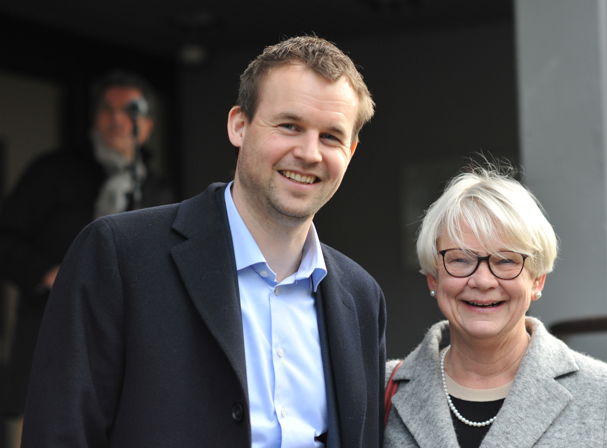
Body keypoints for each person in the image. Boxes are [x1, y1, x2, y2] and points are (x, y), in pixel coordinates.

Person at [22, 36, 386, 447]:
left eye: (330, 137)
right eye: (290, 125)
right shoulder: (118, 256)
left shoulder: (362, 298)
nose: (309, 152)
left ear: (351, 151)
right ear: (239, 125)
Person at [384, 163, 607, 447]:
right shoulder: (381, 386)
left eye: (506, 260)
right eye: (460, 259)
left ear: (537, 281)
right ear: (433, 278)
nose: (483, 280)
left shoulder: (600, 392)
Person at [0, 71, 173, 428]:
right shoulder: (54, 171)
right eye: (107, 110)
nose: (117, 120)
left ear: (148, 124)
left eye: (130, 110)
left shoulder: (155, 188)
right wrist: (47, 273)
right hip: (53, 329)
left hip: (126, 342)